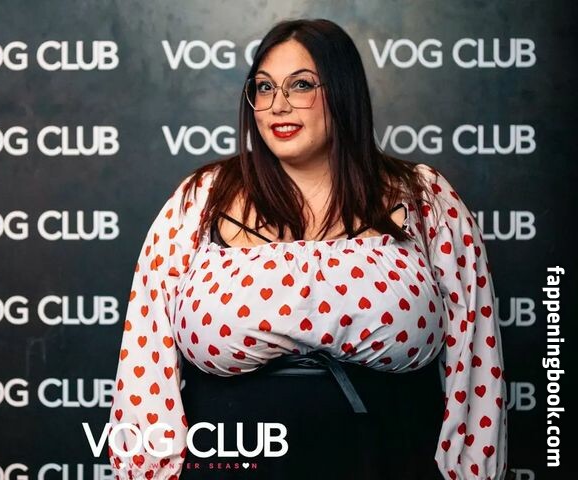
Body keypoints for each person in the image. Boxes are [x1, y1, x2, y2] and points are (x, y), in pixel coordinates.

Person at [107, 18, 508, 480]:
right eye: (263, 87)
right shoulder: (201, 197)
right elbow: (145, 358)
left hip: (388, 461)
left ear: (342, 91)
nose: (277, 105)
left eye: (300, 85)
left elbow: (476, 356)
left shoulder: (425, 196)